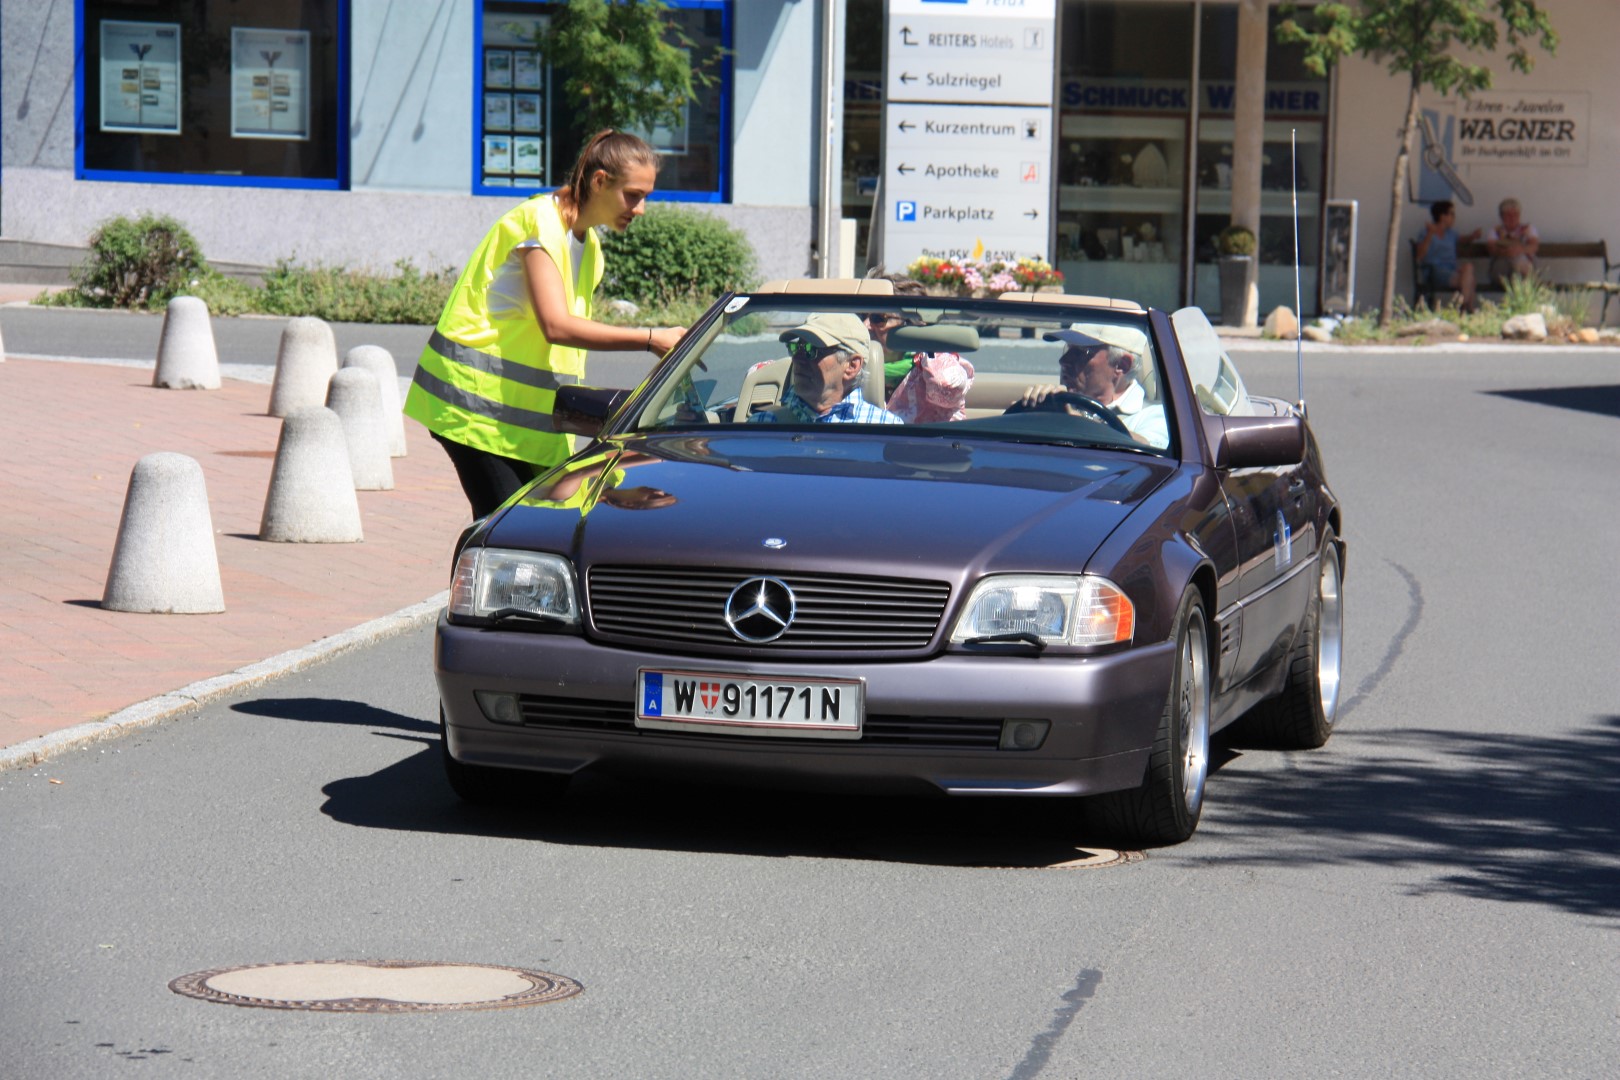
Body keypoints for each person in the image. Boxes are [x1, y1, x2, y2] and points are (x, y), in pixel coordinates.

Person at [403, 130, 686, 519]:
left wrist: (610, 491)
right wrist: (651, 338)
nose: (640, 209)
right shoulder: (541, 224)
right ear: (600, 181)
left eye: (645, 197)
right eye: (633, 195)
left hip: (518, 420)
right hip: (473, 408)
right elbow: (556, 325)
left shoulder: (588, 248)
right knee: (502, 528)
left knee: (533, 528)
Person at [1015, 326, 1169, 447]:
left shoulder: (1154, 416)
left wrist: (1078, 422)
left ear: (1122, 365)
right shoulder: (1062, 405)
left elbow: (1151, 451)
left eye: (1082, 352)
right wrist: (1026, 418)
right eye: (1068, 349)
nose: (1064, 360)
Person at [748, 313, 903, 425]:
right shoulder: (763, 425)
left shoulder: (884, 429)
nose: (797, 358)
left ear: (852, 366)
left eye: (812, 350)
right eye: (797, 347)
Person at [1415, 199, 1482, 312]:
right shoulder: (1426, 232)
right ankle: (1467, 308)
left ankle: (1464, 307)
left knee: (1468, 269)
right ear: (1442, 216)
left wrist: (1473, 236)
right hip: (1434, 272)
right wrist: (1430, 234)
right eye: (1451, 214)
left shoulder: (1451, 233)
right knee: (1470, 280)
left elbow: (1463, 239)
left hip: (1452, 271)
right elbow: (1420, 255)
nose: (1454, 217)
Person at [1486, 196, 1539, 284]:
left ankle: (1522, 282)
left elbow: (1533, 247)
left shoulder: (1528, 229)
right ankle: (1526, 283)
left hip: (1523, 264)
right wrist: (1505, 252)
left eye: (1515, 214)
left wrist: (1520, 250)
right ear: (1501, 216)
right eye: (1508, 215)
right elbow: (1491, 249)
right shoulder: (1495, 231)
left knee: (1520, 259)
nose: (1512, 218)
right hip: (1502, 270)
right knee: (1514, 261)